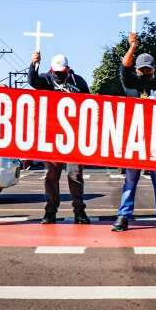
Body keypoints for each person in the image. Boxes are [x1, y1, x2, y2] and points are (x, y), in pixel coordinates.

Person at [111, 32, 156, 233]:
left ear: (154, 69)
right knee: (130, 180)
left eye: (147, 69)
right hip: (134, 138)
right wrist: (132, 47)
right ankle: (123, 216)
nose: (144, 72)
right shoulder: (131, 82)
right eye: (141, 69)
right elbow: (124, 67)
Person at [27, 51, 91, 224]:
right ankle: (50, 212)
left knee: (75, 175)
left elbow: (90, 104)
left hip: (73, 137)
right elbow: (32, 82)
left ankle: (79, 212)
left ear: (68, 69)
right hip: (52, 136)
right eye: (56, 72)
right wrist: (33, 64)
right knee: (51, 176)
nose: (58, 75)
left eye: (61, 72)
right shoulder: (47, 79)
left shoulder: (78, 81)